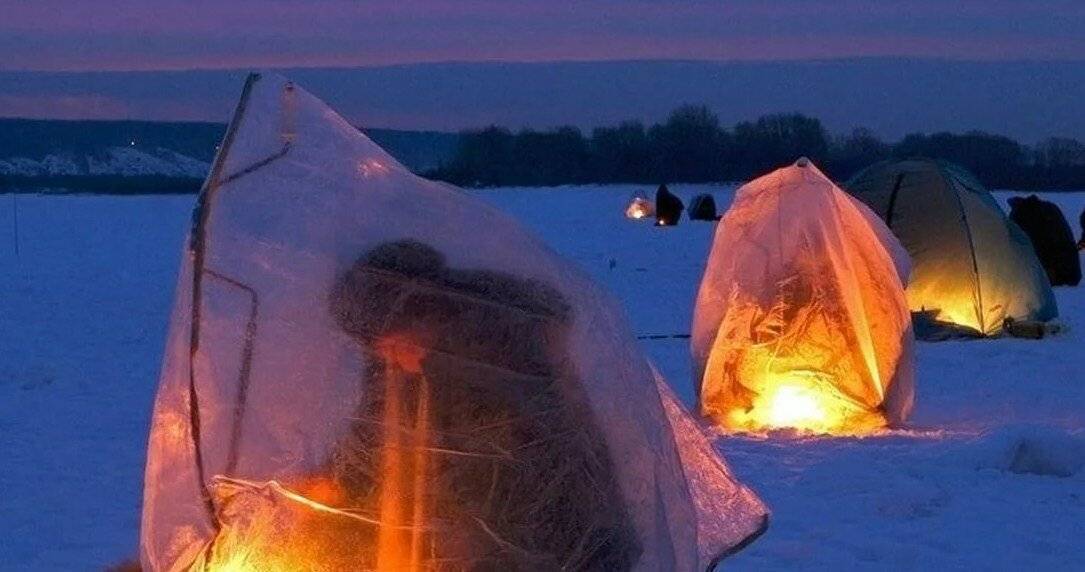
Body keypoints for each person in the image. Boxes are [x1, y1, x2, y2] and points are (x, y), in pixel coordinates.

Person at [1007, 195, 1081, 286]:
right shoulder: (1048, 210)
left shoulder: (1025, 216)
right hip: (1067, 268)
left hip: (1059, 271)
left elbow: (1041, 244)